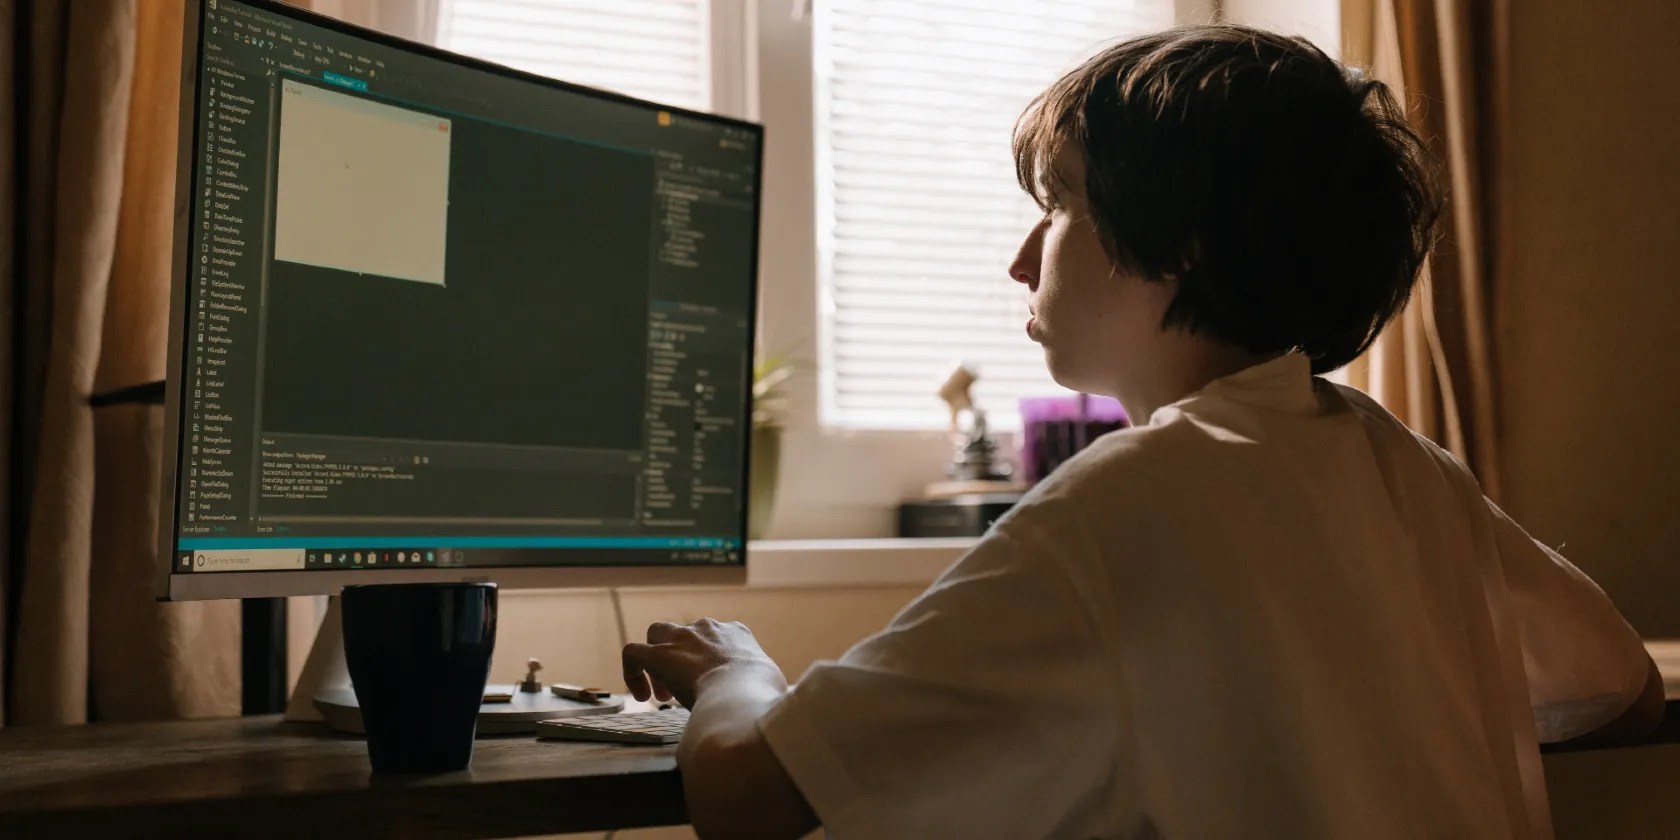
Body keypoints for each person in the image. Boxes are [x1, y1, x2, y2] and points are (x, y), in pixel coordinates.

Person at [620, 24, 1662, 839]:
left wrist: (734, 672)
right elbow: (1625, 686)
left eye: (1059, 204)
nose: (1024, 260)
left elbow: (746, 799)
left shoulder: (1127, 498)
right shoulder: (1401, 461)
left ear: (1183, 242)